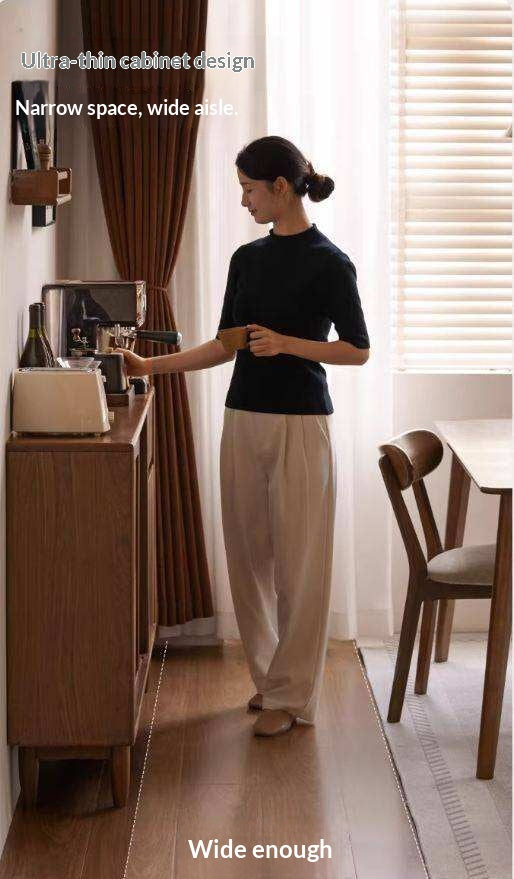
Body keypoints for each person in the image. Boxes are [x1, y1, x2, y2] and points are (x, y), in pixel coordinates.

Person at [117, 136, 370, 737]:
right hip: (243, 420)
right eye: (241, 191)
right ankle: (269, 680)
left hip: (303, 425)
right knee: (248, 556)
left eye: (249, 190)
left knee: (302, 566)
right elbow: (224, 346)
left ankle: (291, 695)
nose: (245, 203)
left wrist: (287, 345)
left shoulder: (331, 263)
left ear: (281, 188)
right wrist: (151, 368)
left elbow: (357, 350)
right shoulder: (246, 260)